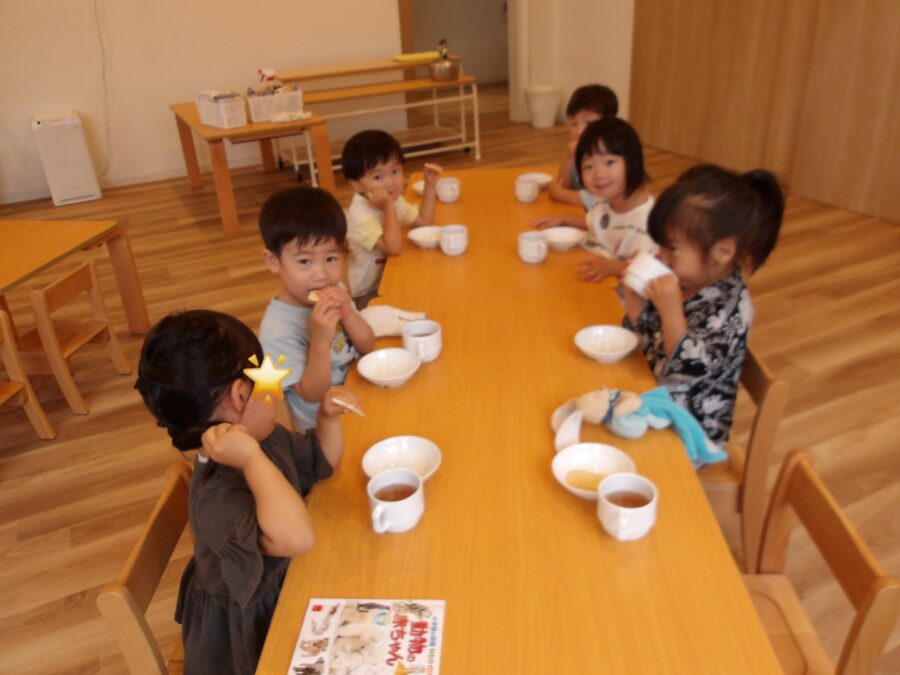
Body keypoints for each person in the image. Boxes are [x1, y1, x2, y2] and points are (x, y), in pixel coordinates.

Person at [135, 309, 362, 675]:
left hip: (289, 584)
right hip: (250, 634)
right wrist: (253, 460)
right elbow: (298, 538)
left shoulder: (262, 438)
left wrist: (327, 418)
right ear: (241, 395)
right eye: (266, 377)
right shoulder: (218, 496)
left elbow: (321, 461)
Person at [622, 163, 784, 449]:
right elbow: (647, 338)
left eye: (672, 247)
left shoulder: (732, 311)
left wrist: (670, 310)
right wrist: (635, 298)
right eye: (660, 245)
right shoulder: (687, 279)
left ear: (722, 251)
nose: (661, 256)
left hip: (689, 432)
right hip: (651, 394)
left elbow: (682, 370)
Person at [258, 187, 375, 431]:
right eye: (305, 261)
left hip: (361, 399)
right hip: (326, 432)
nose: (321, 275)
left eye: (331, 258)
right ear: (273, 261)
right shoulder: (276, 330)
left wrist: (348, 314)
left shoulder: (336, 289)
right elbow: (311, 394)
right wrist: (320, 340)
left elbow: (367, 345)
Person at [534, 117, 656, 283]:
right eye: (589, 166)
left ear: (633, 161)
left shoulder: (650, 221)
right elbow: (593, 221)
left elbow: (649, 268)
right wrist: (563, 219)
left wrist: (611, 268)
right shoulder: (606, 200)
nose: (599, 174)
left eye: (609, 162)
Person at [340, 129, 442, 306]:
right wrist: (388, 207)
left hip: (390, 277)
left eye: (395, 171)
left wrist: (430, 186)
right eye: (378, 177)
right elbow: (393, 248)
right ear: (356, 184)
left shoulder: (394, 200)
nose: (390, 182)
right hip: (366, 294)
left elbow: (423, 221)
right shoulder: (359, 216)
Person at [547, 84, 619, 209]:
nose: (579, 131)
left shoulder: (609, 155)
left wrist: (561, 194)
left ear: (609, 123)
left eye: (589, 123)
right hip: (583, 213)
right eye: (574, 124)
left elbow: (601, 201)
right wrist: (569, 157)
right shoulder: (579, 149)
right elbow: (563, 183)